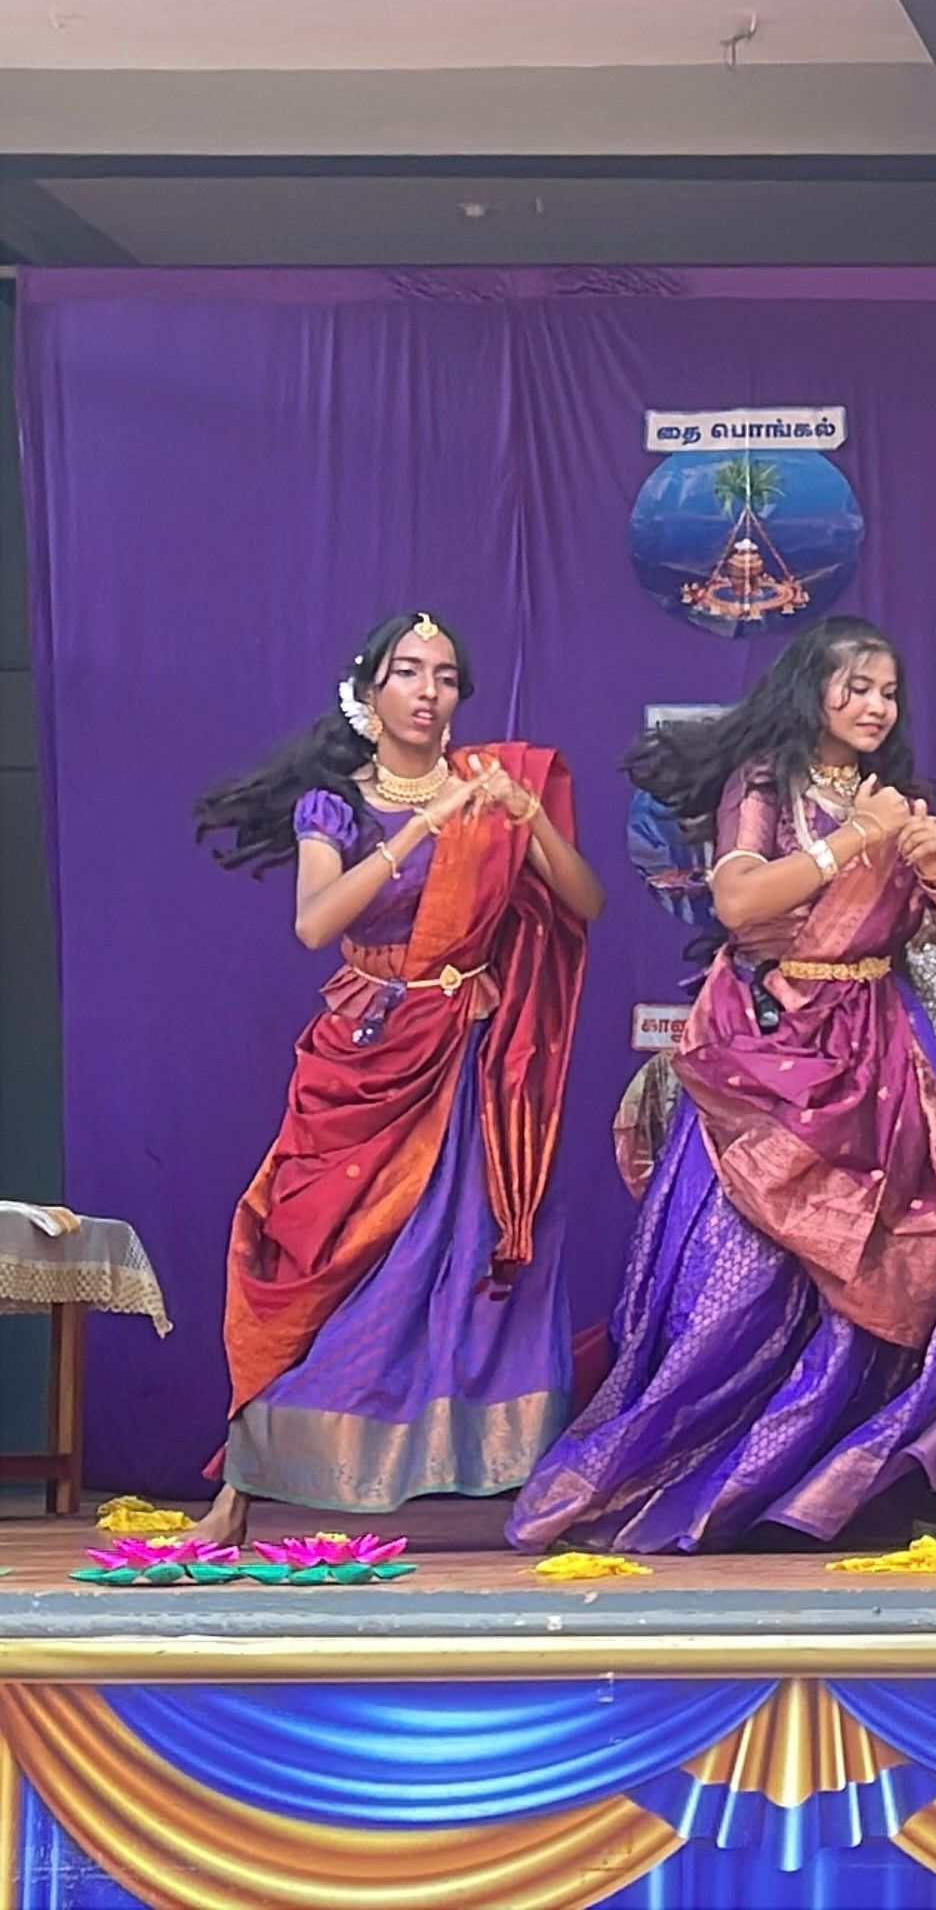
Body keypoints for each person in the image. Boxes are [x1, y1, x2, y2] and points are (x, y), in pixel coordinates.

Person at [507, 616, 936, 1553]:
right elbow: (738, 901)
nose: (876, 706)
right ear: (812, 689)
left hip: (883, 1056)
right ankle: (722, 1477)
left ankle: (851, 1487)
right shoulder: (764, 785)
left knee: (902, 1267)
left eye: (889, 692)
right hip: (768, 1047)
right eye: (858, 687)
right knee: (741, 1281)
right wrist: (857, 840)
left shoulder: (896, 799)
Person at [188, 613, 601, 1547]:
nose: (428, 691)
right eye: (408, 672)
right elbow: (315, 924)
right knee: (314, 1257)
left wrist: (527, 817)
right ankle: (245, 1483)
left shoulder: (491, 791)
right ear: (367, 692)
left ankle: (519, 1484)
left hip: (469, 1071)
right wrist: (419, 826)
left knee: (471, 1268)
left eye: (445, 676)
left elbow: (587, 903)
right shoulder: (335, 804)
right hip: (367, 1059)